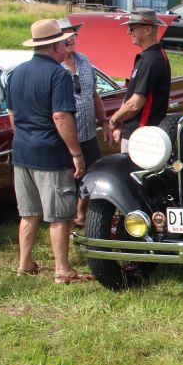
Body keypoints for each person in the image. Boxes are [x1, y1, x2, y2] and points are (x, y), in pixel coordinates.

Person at [6, 19, 92, 283]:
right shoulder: (59, 75)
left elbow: (12, 115)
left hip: (22, 151)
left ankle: (25, 264)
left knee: (28, 213)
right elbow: (60, 116)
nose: (67, 46)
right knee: (60, 216)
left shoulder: (16, 72)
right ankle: (63, 270)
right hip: (50, 154)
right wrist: (76, 153)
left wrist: (25, 136)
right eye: (64, 42)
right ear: (55, 46)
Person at [58, 18, 113, 227]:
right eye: (65, 35)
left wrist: (104, 121)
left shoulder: (84, 60)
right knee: (67, 179)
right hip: (65, 137)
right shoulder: (54, 67)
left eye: (73, 35)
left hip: (88, 132)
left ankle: (81, 215)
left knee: (92, 174)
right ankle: (66, 220)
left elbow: (94, 95)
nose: (70, 39)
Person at [108, 9, 171, 153]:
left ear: (148, 30)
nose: (129, 32)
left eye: (132, 28)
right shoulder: (149, 57)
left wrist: (113, 120)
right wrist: (121, 125)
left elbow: (135, 103)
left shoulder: (151, 60)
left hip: (141, 137)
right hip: (138, 134)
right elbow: (130, 96)